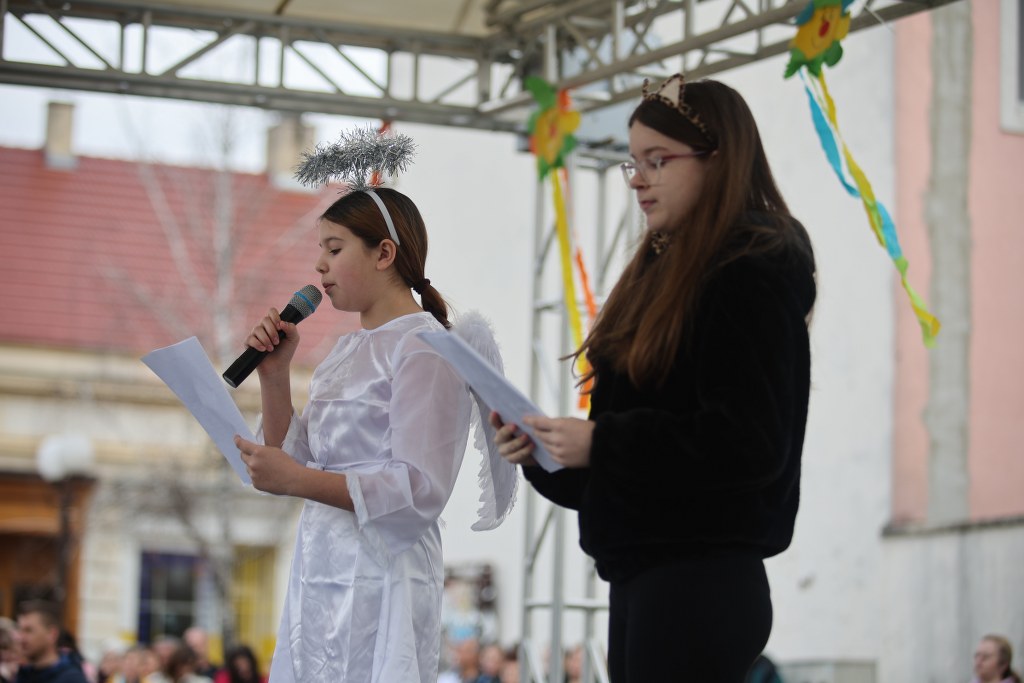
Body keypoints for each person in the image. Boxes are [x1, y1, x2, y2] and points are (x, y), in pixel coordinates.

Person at [492, 74, 817, 682]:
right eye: (633, 163)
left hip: (701, 580)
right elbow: (633, 471)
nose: (638, 179)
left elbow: (748, 443)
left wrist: (601, 443)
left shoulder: (750, 270)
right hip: (649, 577)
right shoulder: (663, 271)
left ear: (718, 159)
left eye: (658, 160)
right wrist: (544, 454)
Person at [232, 130, 515, 683]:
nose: (319, 267)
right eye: (320, 250)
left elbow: (418, 489)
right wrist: (275, 376)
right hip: (321, 570)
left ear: (384, 253)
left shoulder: (425, 347)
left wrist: (297, 480)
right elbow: (297, 459)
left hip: (384, 576)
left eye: (334, 249)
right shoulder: (345, 351)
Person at [13, 600, 88, 683]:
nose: (21, 637)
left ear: (52, 634)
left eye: (29, 630)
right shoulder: (23, 675)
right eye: (20, 630)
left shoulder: (71, 679)